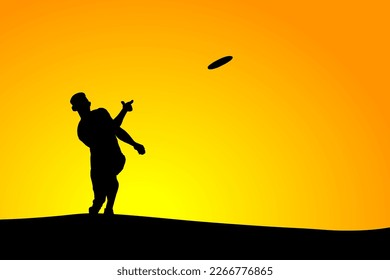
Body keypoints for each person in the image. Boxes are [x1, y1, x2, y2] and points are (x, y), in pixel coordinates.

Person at [70, 92, 145, 215]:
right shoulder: (82, 130)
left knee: (110, 180)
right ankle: (99, 205)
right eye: (81, 102)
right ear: (75, 108)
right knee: (99, 196)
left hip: (114, 158)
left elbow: (116, 130)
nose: (86, 103)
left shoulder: (101, 113)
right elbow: (108, 130)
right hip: (98, 164)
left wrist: (134, 144)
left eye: (86, 100)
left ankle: (109, 208)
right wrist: (124, 111)